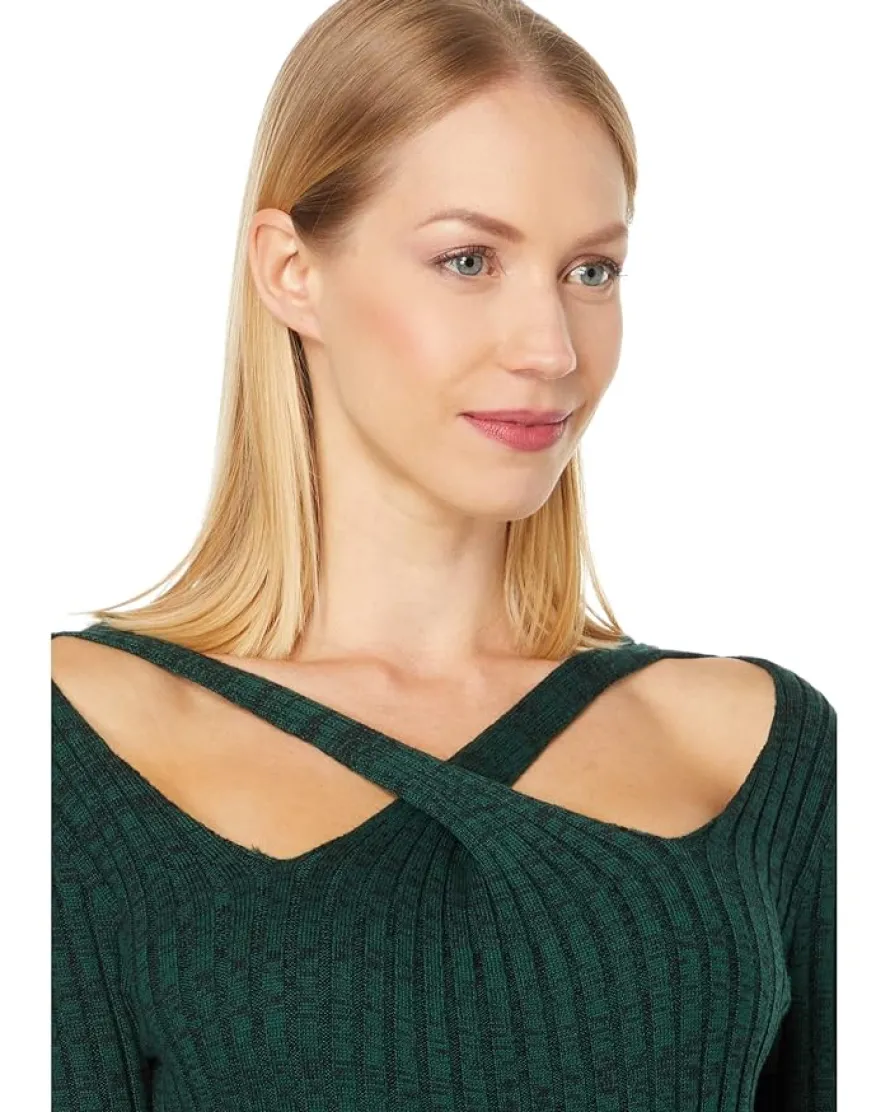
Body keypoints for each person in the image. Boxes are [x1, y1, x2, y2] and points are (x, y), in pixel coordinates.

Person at [50, 1, 836, 1109]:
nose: (550, 349)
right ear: (292, 271)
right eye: (469, 260)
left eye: (591, 271)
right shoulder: (75, 746)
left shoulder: (762, 746)